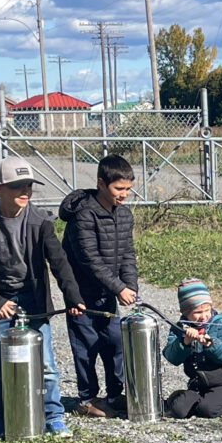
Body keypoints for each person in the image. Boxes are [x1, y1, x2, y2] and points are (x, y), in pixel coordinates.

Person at [0, 155, 85, 439]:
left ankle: (53, 417)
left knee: (46, 365)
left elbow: (59, 262)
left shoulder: (40, 221)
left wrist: (73, 297)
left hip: (33, 300)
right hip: (1, 301)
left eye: (28, 185)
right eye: (17, 186)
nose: (25, 191)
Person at [59, 154, 139, 418]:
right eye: (119, 188)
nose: (124, 194)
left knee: (115, 343)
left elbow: (127, 254)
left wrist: (130, 286)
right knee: (86, 346)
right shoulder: (83, 216)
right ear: (101, 184)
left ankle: (115, 395)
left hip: (108, 293)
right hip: (81, 294)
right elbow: (89, 260)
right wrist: (119, 288)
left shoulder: (124, 215)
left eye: (128, 188)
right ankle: (87, 399)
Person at [162, 278, 222, 418]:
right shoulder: (179, 328)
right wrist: (185, 342)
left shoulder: (220, 323)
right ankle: (194, 399)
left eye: (207, 310)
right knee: (178, 410)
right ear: (185, 312)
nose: (203, 316)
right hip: (199, 385)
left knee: (207, 410)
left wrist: (210, 345)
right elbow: (172, 357)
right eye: (198, 312)